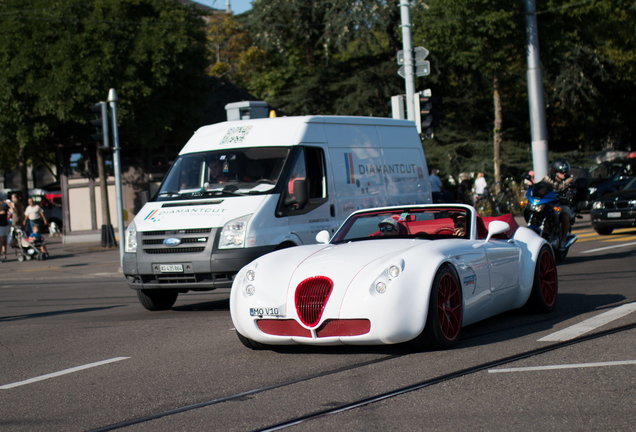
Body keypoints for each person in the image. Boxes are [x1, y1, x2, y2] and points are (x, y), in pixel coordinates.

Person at [541, 159, 575, 249]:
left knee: (565, 215)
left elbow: (572, 188)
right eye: (561, 172)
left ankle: (563, 241)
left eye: (565, 172)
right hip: (550, 203)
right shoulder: (548, 177)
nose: (564, 174)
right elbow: (541, 185)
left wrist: (570, 192)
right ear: (556, 172)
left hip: (562, 203)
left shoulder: (568, 179)